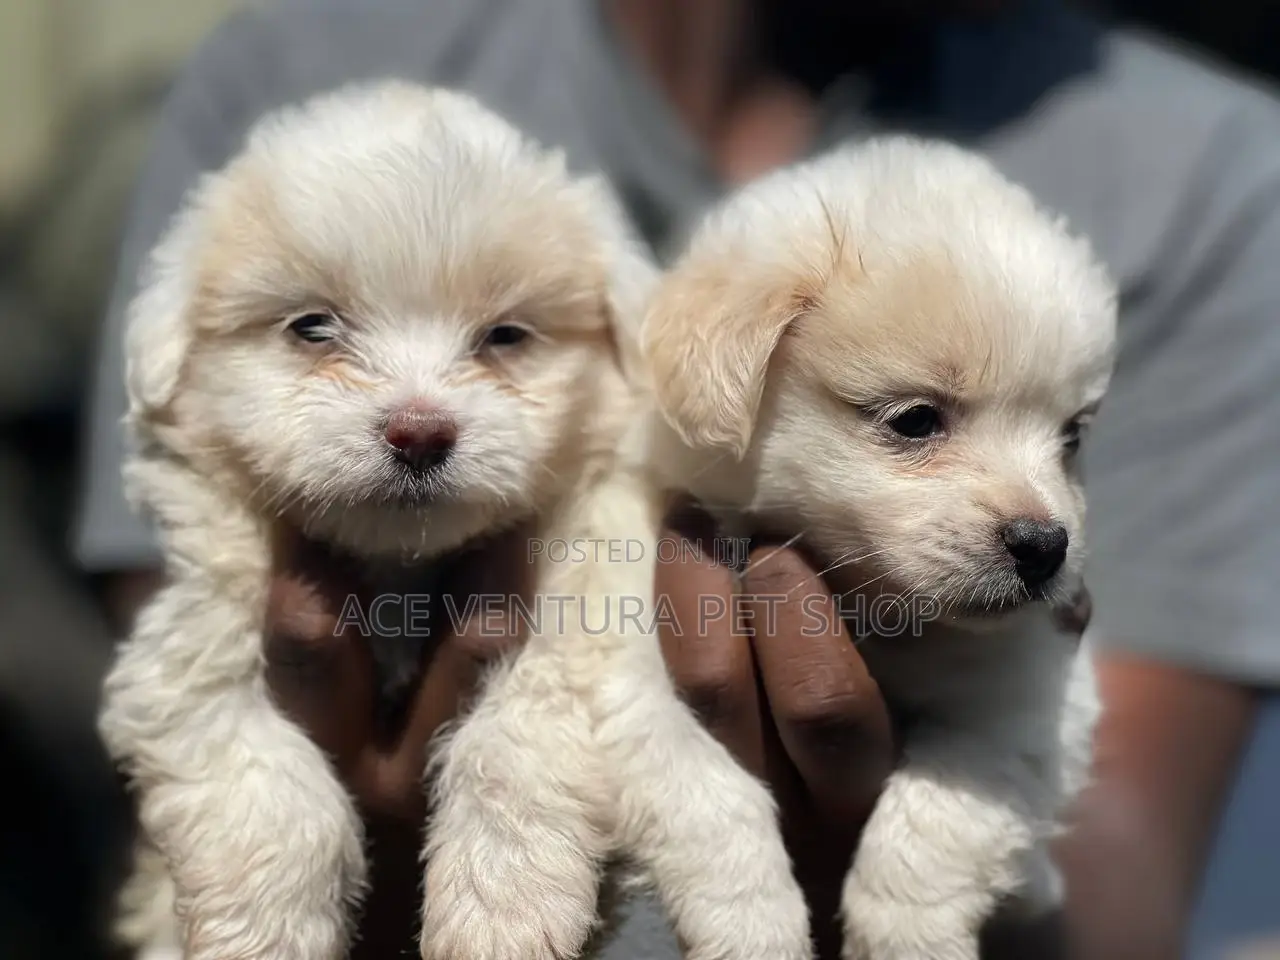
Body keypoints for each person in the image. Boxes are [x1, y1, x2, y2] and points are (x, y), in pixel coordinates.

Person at [73, 0, 1280, 957]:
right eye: (317, 332)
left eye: (503, 339)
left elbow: (1107, 855)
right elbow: (187, 733)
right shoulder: (291, 63)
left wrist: (884, 882)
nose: (417, 411)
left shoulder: (1208, 174)